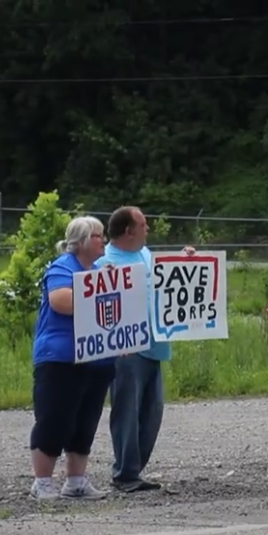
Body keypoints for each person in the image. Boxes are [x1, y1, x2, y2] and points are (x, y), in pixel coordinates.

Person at [95, 206, 195, 493]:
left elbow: (164, 282)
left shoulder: (145, 254)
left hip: (154, 344)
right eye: (143, 225)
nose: (147, 229)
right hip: (126, 349)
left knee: (153, 410)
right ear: (129, 231)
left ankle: (134, 469)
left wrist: (185, 262)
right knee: (127, 409)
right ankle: (125, 473)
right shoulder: (105, 264)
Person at [28, 215, 117, 500]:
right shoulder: (62, 267)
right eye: (97, 235)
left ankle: (76, 481)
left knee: (85, 421)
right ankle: (42, 483)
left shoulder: (100, 271)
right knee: (55, 419)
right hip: (61, 358)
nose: (103, 240)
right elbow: (61, 301)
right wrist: (100, 292)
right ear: (80, 241)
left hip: (96, 358)